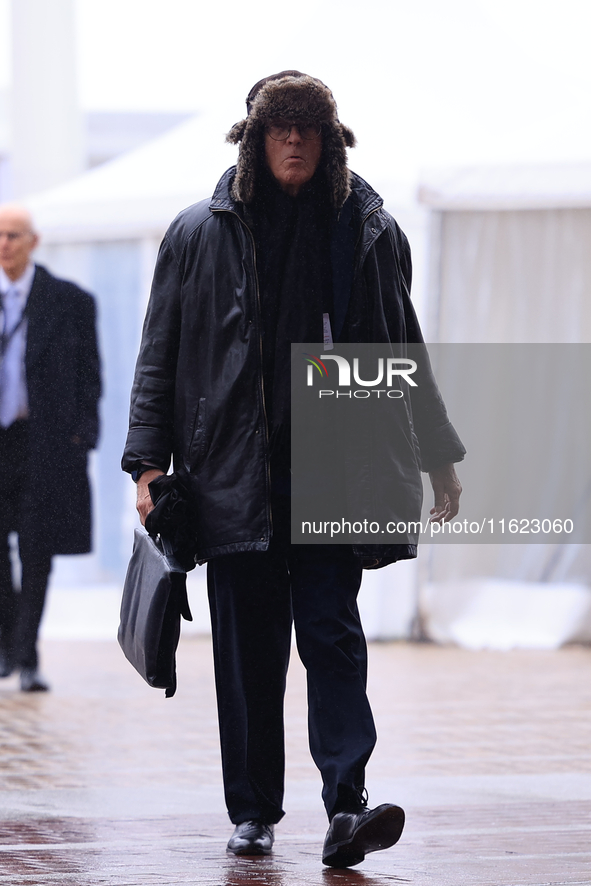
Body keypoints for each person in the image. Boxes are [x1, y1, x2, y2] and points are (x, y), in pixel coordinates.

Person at [122, 72, 465, 868]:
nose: (294, 141)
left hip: (334, 476)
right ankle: (252, 812)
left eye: (308, 127)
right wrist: (146, 465)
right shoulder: (195, 234)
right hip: (230, 479)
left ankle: (347, 805)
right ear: (252, 138)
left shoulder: (369, 233)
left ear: (329, 139)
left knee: (334, 638)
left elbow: (401, 351)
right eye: (279, 127)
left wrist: (438, 455)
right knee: (248, 656)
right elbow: (158, 357)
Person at [0, 204, 101, 692]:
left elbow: (90, 379)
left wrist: (83, 437)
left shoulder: (69, 301)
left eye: (14, 235)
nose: (5, 245)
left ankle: (26, 654)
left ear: (33, 242)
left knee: (38, 549)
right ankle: (10, 646)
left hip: (44, 444)